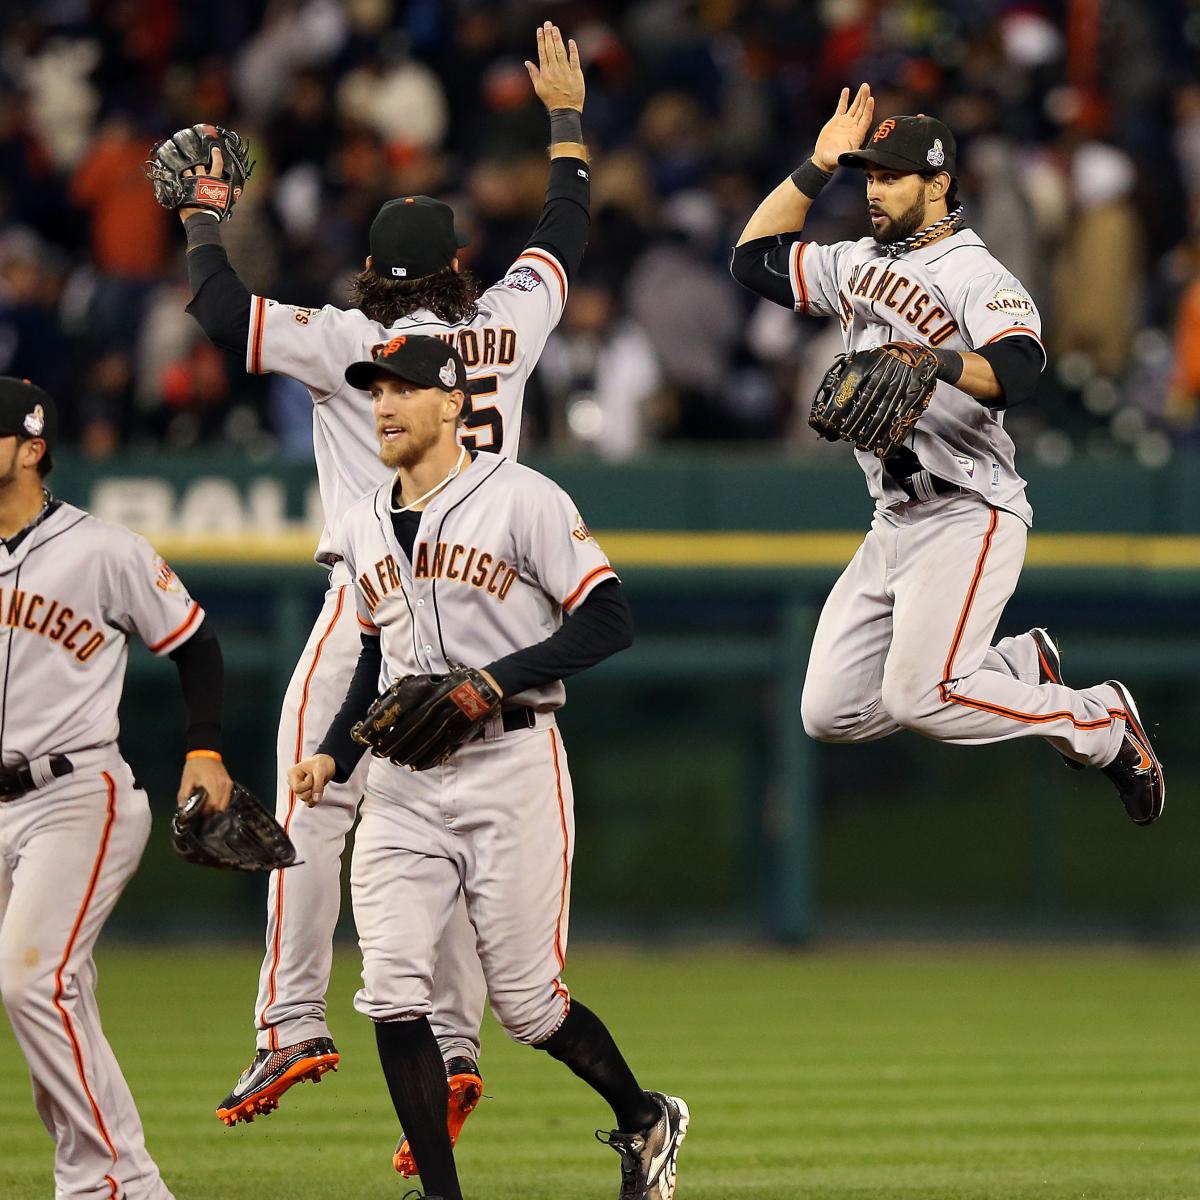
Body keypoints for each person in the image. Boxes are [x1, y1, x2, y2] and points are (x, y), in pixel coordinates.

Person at [175, 23, 591, 1154]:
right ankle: (456, 1050)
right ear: (459, 269)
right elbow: (565, 231)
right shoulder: (507, 322)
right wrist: (566, 126)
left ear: (373, 271)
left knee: (318, 796)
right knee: (441, 818)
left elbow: (218, 311)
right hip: (492, 618)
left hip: (378, 603)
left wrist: (204, 218)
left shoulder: (350, 339)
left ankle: (293, 1019)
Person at [289, 334, 689, 1200]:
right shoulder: (359, 520)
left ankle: (645, 1116)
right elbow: (373, 657)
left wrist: (489, 681)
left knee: (529, 1007)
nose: (384, 404)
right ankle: (441, 1194)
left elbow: (608, 620)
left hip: (512, 764)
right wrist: (334, 750)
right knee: (394, 990)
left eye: (403, 388)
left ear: (452, 404)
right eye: (375, 390)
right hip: (401, 786)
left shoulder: (522, 499)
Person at [730, 87, 1165, 824]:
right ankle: (1018, 668)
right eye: (869, 176)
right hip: (891, 524)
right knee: (829, 712)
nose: (874, 189)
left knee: (917, 696)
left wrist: (934, 359)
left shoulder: (974, 272)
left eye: (891, 176)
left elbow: (1021, 370)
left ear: (937, 185)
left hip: (970, 509)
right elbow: (753, 259)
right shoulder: (856, 261)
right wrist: (816, 164)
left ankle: (1102, 726)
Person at [0, 377, 231, 1200]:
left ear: (32, 448)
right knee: (57, 998)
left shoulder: (103, 549)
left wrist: (204, 750)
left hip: (77, 794)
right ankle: (91, 1178)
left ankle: (120, 1184)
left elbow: (196, 645)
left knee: (31, 981)